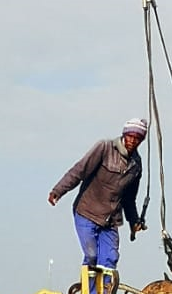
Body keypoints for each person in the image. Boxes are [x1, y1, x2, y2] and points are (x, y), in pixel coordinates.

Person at [49, 117, 147, 281]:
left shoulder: (136, 164)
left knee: (110, 259)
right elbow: (80, 170)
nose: (133, 141)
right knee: (92, 255)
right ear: (124, 135)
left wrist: (133, 221)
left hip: (110, 220)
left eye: (138, 138)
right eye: (130, 136)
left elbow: (129, 198)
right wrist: (58, 190)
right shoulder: (105, 148)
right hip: (87, 212)